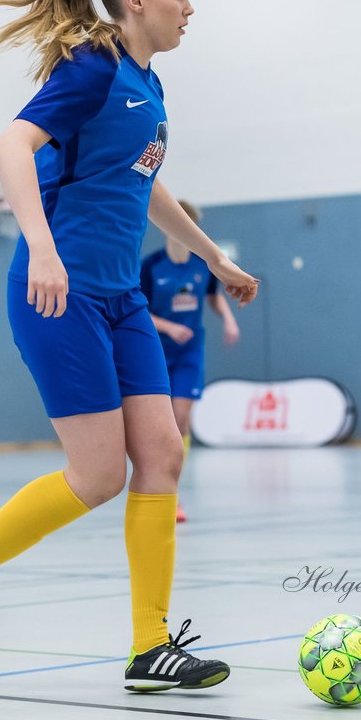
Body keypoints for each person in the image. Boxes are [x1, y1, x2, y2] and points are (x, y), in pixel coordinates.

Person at [0, 0, 258, 691]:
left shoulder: (148, 83)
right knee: (99, 475)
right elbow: (12, 145)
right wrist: (40, 247)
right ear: (136, 0)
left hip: (121, 297)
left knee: (162, 454)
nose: (191, 7)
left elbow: (147, 184)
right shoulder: (92, 67)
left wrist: (211, 259)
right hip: (58, 294)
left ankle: (150, 646)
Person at [139, 200, 240, 522]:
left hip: (189, 354)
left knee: (179, 420)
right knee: (160, 426)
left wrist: (228, 319)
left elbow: (212, 295)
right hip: (155, 352)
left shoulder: (201, 264)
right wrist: (168, 326)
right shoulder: (151, 266)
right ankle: (156, 489)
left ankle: (174, 494)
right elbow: (137, 309)